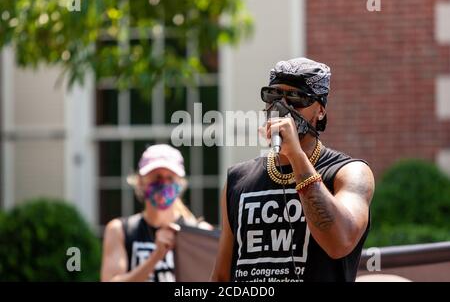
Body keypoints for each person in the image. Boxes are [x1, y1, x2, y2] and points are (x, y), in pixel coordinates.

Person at [211, 57, 375, 282]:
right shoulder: (237, 179)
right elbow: (222, 276)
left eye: (297, 98)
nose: (282, 107)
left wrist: (296, 156)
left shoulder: (348, 172)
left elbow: (340, 242)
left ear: (320, 111)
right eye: (273, 96)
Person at [101, 144, 211, 282]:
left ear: (180, 184)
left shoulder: (197, 231)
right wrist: (156, 256)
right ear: (140, 182)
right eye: (157, 177)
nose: (163, 184)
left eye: (170, 178)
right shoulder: (120, 230)